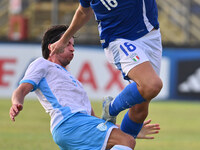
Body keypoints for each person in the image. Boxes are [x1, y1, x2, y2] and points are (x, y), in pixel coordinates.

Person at [9, 25, 160, 150]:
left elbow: (94, 121)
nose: (72, 49)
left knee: (125, 140)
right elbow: (22, 89)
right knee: (126, 142)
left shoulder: (73, 82)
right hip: (70, 123)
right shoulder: (42, 64)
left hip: (75, 127)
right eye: (68, 44)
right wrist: (17, 102)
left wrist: (125, 129)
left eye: (73, 45)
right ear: (52, 46)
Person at [49, 0, 163, 139]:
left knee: (140, 109)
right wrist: (64, 39)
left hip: (151, 36)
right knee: (152, 85)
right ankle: (111, 108)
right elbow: (84, 11)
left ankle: (121, 146)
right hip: (119, 39)